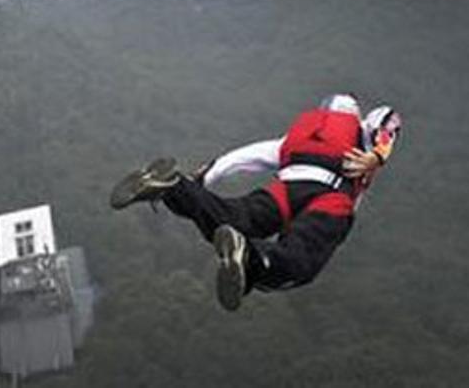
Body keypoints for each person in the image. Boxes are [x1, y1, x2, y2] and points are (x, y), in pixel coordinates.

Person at [110, 94, 402, 311]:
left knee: (234, 217)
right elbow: (390, 120)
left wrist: (202, 178)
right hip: (330, 198)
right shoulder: (361, 134)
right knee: (299, 261)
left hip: (288, 186)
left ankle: (174, 188)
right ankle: (253, 256)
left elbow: (243, 158)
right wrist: (377, 156)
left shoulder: (295, 138)